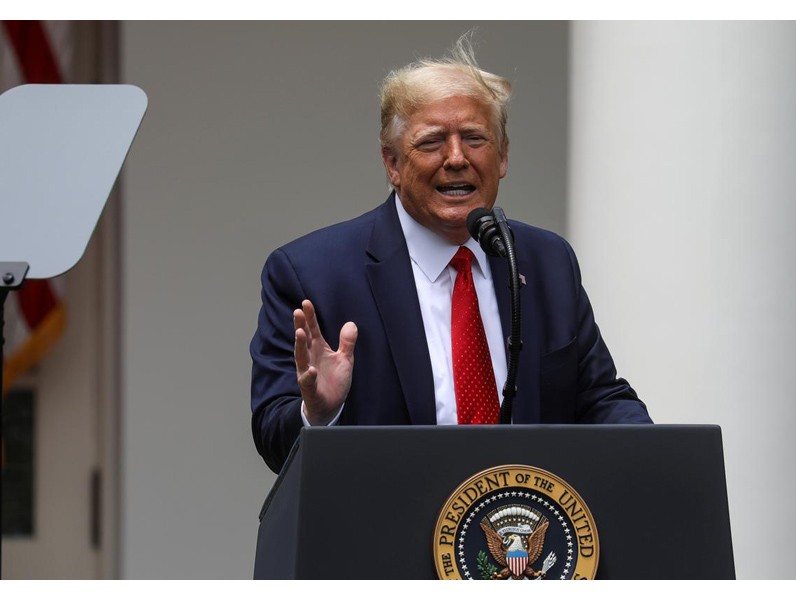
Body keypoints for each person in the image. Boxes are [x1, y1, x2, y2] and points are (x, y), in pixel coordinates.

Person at [250, 37, 651, 473]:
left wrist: (663, 460)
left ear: (503, 157)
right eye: (432, 142)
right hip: (383, 531)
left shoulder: (545, 261)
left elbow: (598, 398)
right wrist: (319, 415)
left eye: (475, 138)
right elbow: (274, 436)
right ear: (392, 164)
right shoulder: (312, 273)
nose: (456, 158)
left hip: (522, 530)